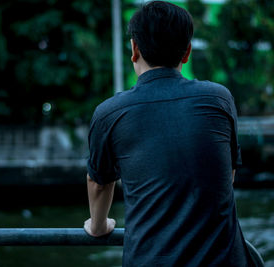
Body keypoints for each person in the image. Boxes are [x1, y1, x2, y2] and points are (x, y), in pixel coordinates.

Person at [83, 1, 255, 266]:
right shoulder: (218, 98)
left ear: (134, 49)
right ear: (186, 52)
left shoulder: (110, 113)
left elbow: (98, 182)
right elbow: (226, 173)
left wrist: (98, 227)